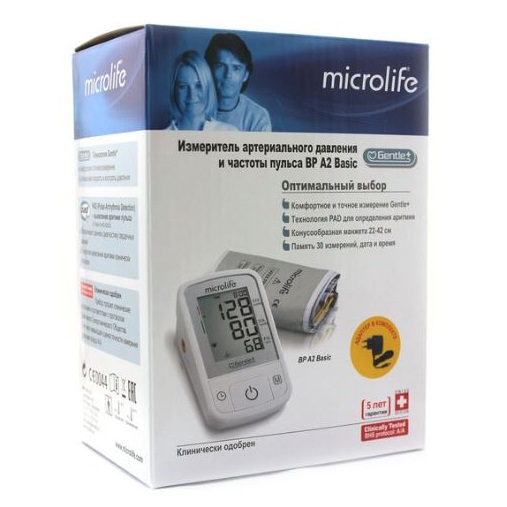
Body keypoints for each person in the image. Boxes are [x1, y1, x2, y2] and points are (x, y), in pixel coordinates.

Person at [205, 33, 272, 132]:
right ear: (208, 69)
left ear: (245, 75)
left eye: (236, 68)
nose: (228, 75)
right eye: (220, 66)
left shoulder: (258, 117)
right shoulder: (193, 110)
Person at [167, 50, 237, 131]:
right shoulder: (162, 136)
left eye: (198, 86)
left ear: (208, 88)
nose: (192, 95)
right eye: (183, 86)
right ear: (174, 91)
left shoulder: (230, 132)